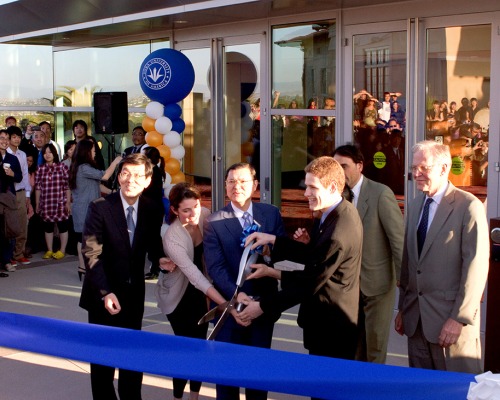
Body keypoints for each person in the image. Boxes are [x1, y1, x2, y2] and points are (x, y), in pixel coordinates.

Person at [238, 156, 363, 362]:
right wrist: (273, 240)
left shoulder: (339, 231)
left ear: (332, 187)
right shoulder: (333, 212)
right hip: (324, 323)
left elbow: (309, 282)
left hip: (332, 329)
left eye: (312, 188)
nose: (306, 193)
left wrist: (261, 307)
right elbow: (313, 254)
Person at [79, 154, 169, 400]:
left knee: (132, 357)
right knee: (103, 363)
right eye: (126, 174)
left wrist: (160, 258)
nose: (131, 180)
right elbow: (91, 253)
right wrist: (105, 292)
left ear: (148, 180)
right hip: (102, 294)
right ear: (119, 177)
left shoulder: (151, 208)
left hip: (133, 295)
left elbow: (152, 242)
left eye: (138, 175)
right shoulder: (100, 207)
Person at [395, 140, 489, 374]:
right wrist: (403, 309)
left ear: (444, 168)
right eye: (414, 168)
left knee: (455, 391)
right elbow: (409, 262)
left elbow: (475, 269)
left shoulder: (468, 207)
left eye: (423, 168)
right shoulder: (416, 205)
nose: (416, 174)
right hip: (416, 323)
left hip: (450, 325)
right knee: (421, 390)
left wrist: (459, 319)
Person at [203, 162, 285, 400]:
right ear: (225, 186)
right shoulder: (214, 221)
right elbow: (215, 268)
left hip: (262, 306)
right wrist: (237, 297)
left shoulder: (270, 214)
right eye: (231, 182)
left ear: (255, 185)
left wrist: (269, 252)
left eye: (242, 181)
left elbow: (282, 252)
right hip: (229, 309)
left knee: (258, 375)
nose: (236, 186)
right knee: (227, 377)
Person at [333, 145, 404, 364]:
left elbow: (398, 242)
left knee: (375, 349)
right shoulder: (337, 196)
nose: (340, 171)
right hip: (347, 288)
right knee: (352, 349)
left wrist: (406, 287)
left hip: (377, 286)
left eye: (344, 166)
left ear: (359, 166)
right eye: (336, 166)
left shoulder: (381, 194)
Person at [156, 182, 226, 400]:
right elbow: (193, 275)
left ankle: (193, 396)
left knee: (200, 348)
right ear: (175, 210)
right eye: (185, 210)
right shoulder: (172, 237)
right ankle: (178, 396)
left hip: (201, 293)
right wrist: (224, 303)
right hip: (178, 296)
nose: (192, 213)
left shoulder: (205, 215)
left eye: (195, 206)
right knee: (184, 349)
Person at [69, 139, 122, 280]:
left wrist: (114, 192)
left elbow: (98, 186)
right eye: (92, 150)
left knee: (85, 239)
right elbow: (104, 176)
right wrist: (115, 162)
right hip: (84, 208)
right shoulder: (84, 167)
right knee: (86, 239)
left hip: (85, 207)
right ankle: (85, 267)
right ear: (86, 152)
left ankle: (83, 268)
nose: (94, 153)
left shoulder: (81, 167)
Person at [35, 143, 71, 260]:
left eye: (50, 152)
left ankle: (62, 250)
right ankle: (49, 250)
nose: (48, 155)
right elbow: (38, 188)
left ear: (54, 153)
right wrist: (37, 204)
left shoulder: (62, 167)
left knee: (63, 227)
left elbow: (67, 186)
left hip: (60, 202)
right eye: (45, 153)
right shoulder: (40, 169)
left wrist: (68, 203)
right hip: (46, 203)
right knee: (48, 228)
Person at [7, 126, 32, 266]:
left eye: (18, 137)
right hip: (9, 193)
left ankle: (19, 254)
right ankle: (9, 256)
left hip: (22, 192)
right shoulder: (5, 154)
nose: (16, 139)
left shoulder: (22, 154)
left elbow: (25, 175)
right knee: (10, 225)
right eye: (14, 137)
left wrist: (28, 194)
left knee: (23, 224)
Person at [0, 129, 22, 273]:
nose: (5, 141)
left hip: (8, 198)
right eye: (2, 138)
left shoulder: (12, 158)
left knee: (9, 230)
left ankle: (7, 261)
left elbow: (19, 177)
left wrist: (12, 173)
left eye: (7, 138)